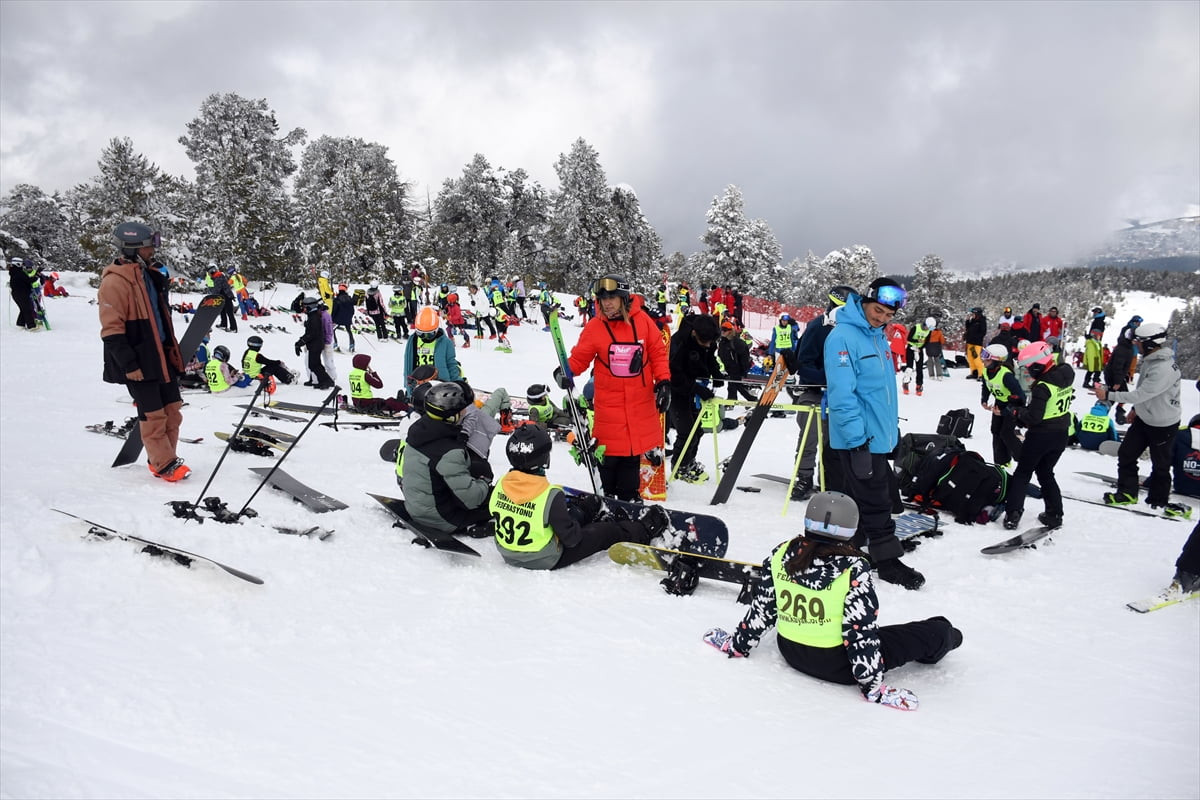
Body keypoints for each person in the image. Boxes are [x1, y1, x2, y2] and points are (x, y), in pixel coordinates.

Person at [701, 491, 962, 712]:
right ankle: (948, 635)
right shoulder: (853, 569)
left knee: (899, 635)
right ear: (851, 530)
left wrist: (736, 645)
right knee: (935, 631)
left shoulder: (782, 554)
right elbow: (859, 631)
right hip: (838, 665)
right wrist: (873, 688)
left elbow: (762, 608)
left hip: (791, 651)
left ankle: (940, 634)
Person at [824, 277, 924, 590]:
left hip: (878, 436)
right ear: (865, 300)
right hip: (859, 438)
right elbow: (842, 395)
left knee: (858, 497)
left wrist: (890, 433)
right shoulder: (842, 337)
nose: (881, 317)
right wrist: (856, 442)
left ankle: (848, 551)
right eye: (878, 310)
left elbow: (880, 390)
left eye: (888, 315)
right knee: (877, 499)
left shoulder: (878, 337)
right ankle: (888, 561)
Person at [491, 425, 674, 570]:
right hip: (543, 559)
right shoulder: (549, 495)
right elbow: (572, 539)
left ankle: (582, 511)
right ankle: (643, 530)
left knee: (561, 517)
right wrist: (581, 520)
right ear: (543, 459)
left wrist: (577, 514)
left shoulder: (500, 484)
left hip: (508, 554)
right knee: (604, 532)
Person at [563, 274, 670, 502]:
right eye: (603, 299)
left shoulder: (642, 322)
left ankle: (629, 503)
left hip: (639, 405)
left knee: (631, 458)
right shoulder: (595, 328)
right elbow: (579, 359)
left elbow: (658, 352)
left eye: (612, 297)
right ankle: (607, 502)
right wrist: (565, 372)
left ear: (623, 298)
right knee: (609, 459)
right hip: (609, 408)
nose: (607, 303)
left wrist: (663, 381)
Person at [98, 222, 190, 481]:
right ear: (132, 248)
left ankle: (165, 458)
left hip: (161, 355)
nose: (153, 250)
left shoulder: (148, 275)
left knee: (173, 410)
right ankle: (163, 464)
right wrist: (129, 364)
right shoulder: (115, 282)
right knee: (153, 415)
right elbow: (111, 330)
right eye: (150, 245)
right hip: (139, 359)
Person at [1095, 322, 1188, 518]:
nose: (1136, 344)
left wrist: (1108, 395)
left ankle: (1158, 499)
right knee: (1127, 454)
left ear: (1150, 344)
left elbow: (1141, 393)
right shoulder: (1151, 360)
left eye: (1139, 341)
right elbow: (1145, 395)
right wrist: (1136, 410)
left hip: (1163, 423)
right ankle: (1127, 493)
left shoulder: (1162, 368)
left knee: (1160, 464)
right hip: (1145, 418)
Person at [402, 381, 492, 536]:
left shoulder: (419, 431)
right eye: (462, 409)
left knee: (476, 467)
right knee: (498, 496)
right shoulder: (449, 450)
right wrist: (485, 480)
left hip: (416, 507)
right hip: (442, 519)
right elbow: (472, 498)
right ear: (451, 415)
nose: (465, 412)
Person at [788, 285, 853, 500]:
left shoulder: (850, 330)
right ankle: (803, 478)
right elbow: (802, 364)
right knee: (810, 436)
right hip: (814, 391)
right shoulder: (817, 327)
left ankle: (829, 478)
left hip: (840, 395)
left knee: (834, 441)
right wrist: (828, 377)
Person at [1002, 341, 1075, 530]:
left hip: (1041, 436)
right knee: (1045, 473)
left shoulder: (1042, 387)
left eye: (1028, 368)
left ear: (1037, 365)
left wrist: (1017, 412)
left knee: (1023, 473)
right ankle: (1055, 514)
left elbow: (1034, 417)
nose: (1027, 372)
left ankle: (1013, 514)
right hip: (1061, 434)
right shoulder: (1066, 374)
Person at [668, 313, 723, 483]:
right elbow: (674, 374)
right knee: (686, 431)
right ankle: (679, 467)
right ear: (694, 333)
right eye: (704, 341)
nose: (707, 345)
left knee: (697, 430)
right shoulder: (680, 342)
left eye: (710, 342)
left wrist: (715, 372)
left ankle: (689, 462)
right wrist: (695, 388)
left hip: (696, 387)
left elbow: (710, 356)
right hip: (678, 390)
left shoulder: (709, 337)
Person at [979, 344, 1026, 467]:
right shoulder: (986, 371)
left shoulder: (1006, 375)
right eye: (983, 355)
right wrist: (984, 400)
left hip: (1012, 404)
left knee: (1006, 432)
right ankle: (1001, 461)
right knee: (995, 430)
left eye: (986, 357)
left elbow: (1021, 397)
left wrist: (1006, 411)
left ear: (997, 361)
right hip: (999, 403)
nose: (983, 359)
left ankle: (1023, 459)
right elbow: (986, 385)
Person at [404, 306, 463, 388]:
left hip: (438, 385)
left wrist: (458, 384)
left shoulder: (446, 343)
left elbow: (451, 365)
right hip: (418, 384)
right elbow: (408, 365)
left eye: (429, 334)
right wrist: (408, 387)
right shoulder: (413, 340)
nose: (425, 337)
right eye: (420, 334)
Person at [295, 295, 335, 390]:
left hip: (316, 344)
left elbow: (312, 333)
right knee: (314, 364)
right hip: (314, 344)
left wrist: (300, 342)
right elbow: (310, 332)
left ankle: (326, 381)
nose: (304, 309)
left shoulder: (314, 318)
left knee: (314, 365)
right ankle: (325, 381)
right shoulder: (313, 315)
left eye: (305, 307)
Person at [717, 319, 755, 403]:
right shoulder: (722, 342)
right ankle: (740, 400)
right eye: (722, 330)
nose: (722, 332)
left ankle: (748, 399)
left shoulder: (737, 342)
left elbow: (744, 356)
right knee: (734, 385)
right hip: (729, 368)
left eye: (725, 330)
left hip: (737, 368)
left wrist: (743, 369)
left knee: (734, 385)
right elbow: (721, 354)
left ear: (730, 331)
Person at [7, 256, 40, 330]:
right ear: (18, 264)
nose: (23, 266)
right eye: (22, 264)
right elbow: (29, 280)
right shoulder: (19, 273)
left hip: (17, 294)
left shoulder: (14, 272)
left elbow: (25, 281)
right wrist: (37, 276)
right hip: (21, 294)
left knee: (23, 309)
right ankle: (31, 326)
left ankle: (20, 324)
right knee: (28, 309)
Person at [903, 317, 932, 396]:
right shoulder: (916, 328)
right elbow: (909, 338)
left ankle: (919, 385)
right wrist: (917, 341)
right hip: (911, 348)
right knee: (909, 368)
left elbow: (927, 341)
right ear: (925, 324)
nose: (927, 329)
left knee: (919, 368)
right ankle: (906, 383)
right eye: (927, 328)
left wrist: (920, 348)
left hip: (919, 350)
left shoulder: (929, 331)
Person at [210, 265, 238, 333]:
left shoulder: (218, 277)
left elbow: (217, 289)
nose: (209, 275)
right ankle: (223, 324)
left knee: (229, 313)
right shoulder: (218, 276)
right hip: (222, 297)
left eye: (209, 273)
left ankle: (233, 328)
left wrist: (212, 297)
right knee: (222, 311)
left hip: (226, 296)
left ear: (212, 271)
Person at [963, 307, 988, 379]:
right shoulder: (973, 320)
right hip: (970, 342)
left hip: (976, 343)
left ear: (977, 314)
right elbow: (968, 328)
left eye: (973, 314)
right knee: (970, 358)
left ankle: (981, 374)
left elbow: (983, 332)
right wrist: (967, 321)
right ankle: (974, 372)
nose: (972, 315)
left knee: (977, 358)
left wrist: (975, 338)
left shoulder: (982, 321)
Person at [331, 283, 356, 353]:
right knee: (349, 331)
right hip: (348, 318)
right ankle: (352, 345)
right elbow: (352, 310)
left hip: (338, 319)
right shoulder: (350, 299)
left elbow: (334, 310)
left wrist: (331, 318)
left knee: (332, 330)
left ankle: (335, 344)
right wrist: (350, 316)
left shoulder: (337, 299)